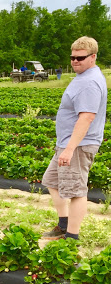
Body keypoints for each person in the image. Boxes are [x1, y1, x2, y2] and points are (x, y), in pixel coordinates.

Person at [41, 37, 107, 241]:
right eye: (72, 57)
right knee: (52, 180)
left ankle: (72, 237)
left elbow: (86, 117)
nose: (75, 61)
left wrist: (69, 149)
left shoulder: (89, 82)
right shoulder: (83, 76)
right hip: (67, 144)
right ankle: (63, 224)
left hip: (77, 146)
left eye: (80, 58)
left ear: (93, 57)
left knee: (76, 191)